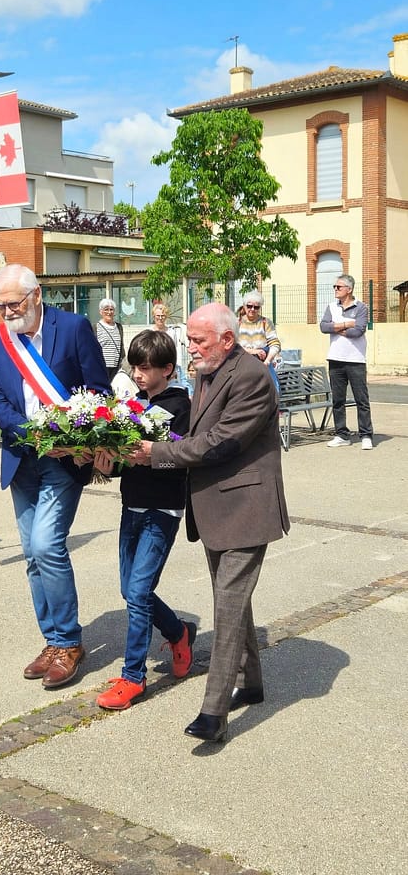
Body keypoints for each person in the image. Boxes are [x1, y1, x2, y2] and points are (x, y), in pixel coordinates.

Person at [131, 303, 290, 743]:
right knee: (235, 601)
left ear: (226, 338)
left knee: (228, 604)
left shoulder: (252, 376)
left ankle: (214, 712)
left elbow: (221, 443)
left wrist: (155, 454)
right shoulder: (208, 369)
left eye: (199, 340)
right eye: (190, 339)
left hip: (246, 508)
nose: (191, 347)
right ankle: (251, 683)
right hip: (215, 506)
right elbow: (197, 433)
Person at [0, 264, 110, 690]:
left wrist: (74, 438)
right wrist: (34, 436)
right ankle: (53, 640)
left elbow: (98, 392)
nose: (6, 312)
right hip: (23, 458)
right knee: (31, 554)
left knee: (46, 543)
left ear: (36, 296)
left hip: (65, 460)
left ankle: (70, 643)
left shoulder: (73, 328)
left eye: (13, 304)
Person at [94, 329, 195, 711]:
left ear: (167, 369)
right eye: (134, 366)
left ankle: (133, 676)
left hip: (162, 510)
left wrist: (151, 454)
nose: (137, 374)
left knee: (137, 594)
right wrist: (107, 463)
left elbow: (183, 455)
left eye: (145, 367)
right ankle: (178, 632)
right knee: (131, 590)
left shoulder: (181, 405)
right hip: (131, 506)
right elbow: (125, 461)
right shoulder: (133, 403)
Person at [319, 274, 373, 449]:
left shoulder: (361, 307)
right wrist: (346, 324)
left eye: (338, 287)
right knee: (338, 400)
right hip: (335, 359)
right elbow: (323, 327)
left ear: (349, 289)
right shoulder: (331, 307)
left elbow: (358, 331)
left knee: (361, 399)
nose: (335, 289)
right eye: (334, 287)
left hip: (356, 360)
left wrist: (336, 327)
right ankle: (342, 434)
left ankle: (366, 435)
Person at [236, 291, 281, 386]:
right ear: (244, 306)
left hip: (263, 365)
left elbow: (275, 344)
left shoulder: (266, 322)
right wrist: (253, 351)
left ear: (260, 308)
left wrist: (267, 361)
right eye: (249, 306)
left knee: (273, 391)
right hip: (242, 366)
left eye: (256, 307)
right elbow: (232, 346)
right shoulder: (237, 323)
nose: (252, 309)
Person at [152, 303, 187, 383]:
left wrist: (175, 367)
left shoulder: (171, 332)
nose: (160, 318)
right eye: (158, 316)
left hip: (168, 367)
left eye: (163, 316)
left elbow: (175, 351)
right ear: (154, 316)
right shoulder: (149, 332)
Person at [96, 298, 125, 381]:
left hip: (117, 367)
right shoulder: (96, 327)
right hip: (102, 367)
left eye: (111, 309)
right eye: (106, 310)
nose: (109, 312)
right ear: (101, 312)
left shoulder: (119, 327)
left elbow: (121, 347)